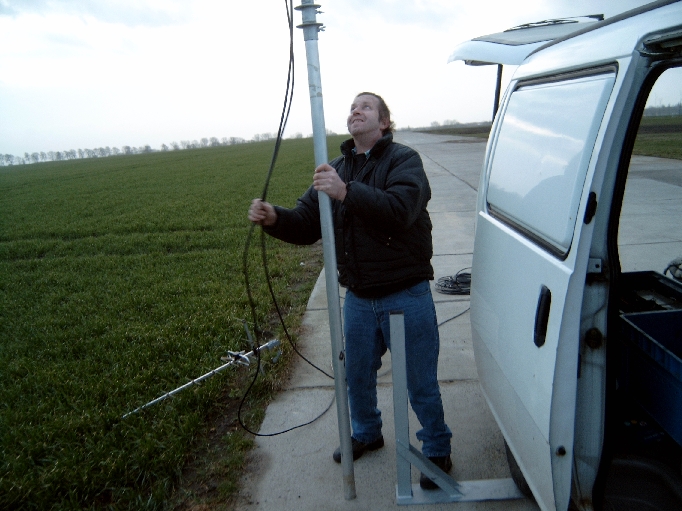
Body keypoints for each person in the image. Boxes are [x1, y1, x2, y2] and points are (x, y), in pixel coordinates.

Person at [248, 92, 452, 490]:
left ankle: (436, 448)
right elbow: (308, 222)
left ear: (384, 122)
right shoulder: (336, 168)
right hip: (358, 298)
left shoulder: (404, 160)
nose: (356, 110)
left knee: (419, 381)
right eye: (353, 107)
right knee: (355, 374)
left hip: (406, 293)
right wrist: (274, 218)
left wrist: (345, 192)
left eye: (366, 106)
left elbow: (400, 210)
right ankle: (366, 432)